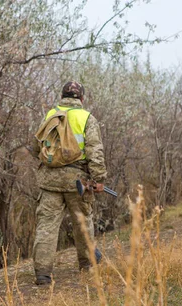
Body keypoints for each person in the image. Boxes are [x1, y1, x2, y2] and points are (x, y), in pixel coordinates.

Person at [31, 81, 107, 285]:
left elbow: (34, 147)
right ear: (81, 98)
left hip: (49, 182)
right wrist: (98, 179)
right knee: (83, 223)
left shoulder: (50, 115)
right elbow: (95, 152)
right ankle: (87, 264)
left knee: (46, 226)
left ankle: (43, 274)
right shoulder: (86, 118)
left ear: (62, 96)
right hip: (78, 182)